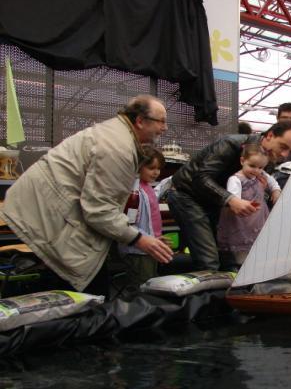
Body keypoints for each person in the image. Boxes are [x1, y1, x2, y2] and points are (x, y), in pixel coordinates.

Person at [0, 95, 174, 294]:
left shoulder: (117, 135)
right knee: (85, 294)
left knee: (83, 287)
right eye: (161, 121)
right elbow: (100, 211)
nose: (165, 127)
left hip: (49, 209)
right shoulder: (118, 148)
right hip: (46, 213)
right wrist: (140, 239)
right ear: (140, 121)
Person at [168, 120, 291, 271]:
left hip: (215, 204)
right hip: (187, 196)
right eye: (283, 147)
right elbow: (201, 178)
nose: (285, 155)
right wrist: (231, 199)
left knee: (225, 256)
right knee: (209, 260)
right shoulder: (231, 144)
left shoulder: (268, 157)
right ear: (270, 135)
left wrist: (271, 192)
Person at [217, 144, 281, 270]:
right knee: (240, 248)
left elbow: (273, 182)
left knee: (257, 245)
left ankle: (254, 267)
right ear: (242, 161)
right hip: (241, 219)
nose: (256, 171)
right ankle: (238, 267)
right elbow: (234, 198)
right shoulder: (235, 179)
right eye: (252, 166)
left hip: (257, 219)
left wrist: (276, 191)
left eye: (261, 167)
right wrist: (241, 204)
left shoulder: (261, 174)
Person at [119, 146, 171, 288]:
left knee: (149, 284)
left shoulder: (147, 188)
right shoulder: (134, 192)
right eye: (151, 168)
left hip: (149, 247)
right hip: (137, 250)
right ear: (139, 166)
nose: (156, 172)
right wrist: (147, 238)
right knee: (141, 287)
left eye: (158, 168)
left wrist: (155, 238)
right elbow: (128, 223)